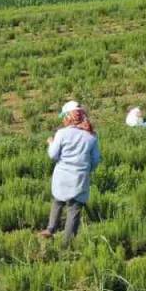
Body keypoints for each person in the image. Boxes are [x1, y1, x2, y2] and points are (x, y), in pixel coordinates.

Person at [40, 102, 100, 244]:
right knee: (74, 209)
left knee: (58, 200)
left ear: (68, 117)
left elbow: (53, 155)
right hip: (79, 178)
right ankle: (67, 243)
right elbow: (95, 159)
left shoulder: (61, 133)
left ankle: (51, 229)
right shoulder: (91, 137)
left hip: (62, 176)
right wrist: (86, 169)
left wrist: (51, 143)